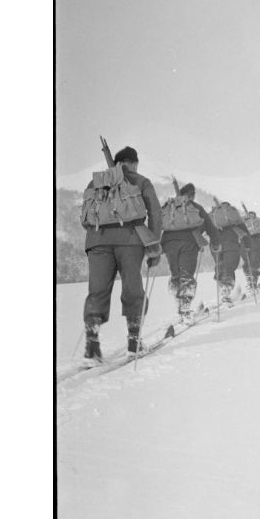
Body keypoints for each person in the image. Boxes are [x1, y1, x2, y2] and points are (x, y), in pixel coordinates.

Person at [81, 146, 163, 363]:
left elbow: (84, 218)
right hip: (130, 240)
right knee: (132, 287)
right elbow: (155, 212)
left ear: (116, 163)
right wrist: (153, 245)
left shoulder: (96, 181)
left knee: (96, 291)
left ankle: (92, 346)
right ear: (134, 163)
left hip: (97, 242)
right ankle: (134, 342)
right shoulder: (141, 181)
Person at [161, 183, 220, 324]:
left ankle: (178, 300)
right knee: (186, 275)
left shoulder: (169, 206)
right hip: (189, 242)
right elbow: (210, 227)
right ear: (192, 195)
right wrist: (215, 242)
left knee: (176, 274)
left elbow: (158, 221)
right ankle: (185, 309)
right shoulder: (195, 207)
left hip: (169, 243)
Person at [209, 201, 251, 305]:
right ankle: (225, 292)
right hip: (231, 241)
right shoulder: (233, 213)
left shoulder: (214, 214)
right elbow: (244, 230)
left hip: (215, 243)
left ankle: (222, 290)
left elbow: (203, 227)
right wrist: (247, 244)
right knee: (230, 265)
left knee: (219, 264)